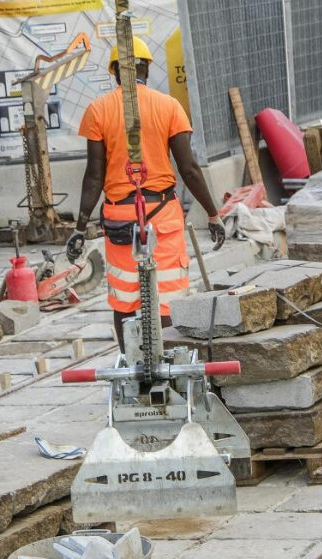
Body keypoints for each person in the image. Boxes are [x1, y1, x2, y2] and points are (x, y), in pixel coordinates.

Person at [65, 37, 225, 353]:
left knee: (125, 301)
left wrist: (80, 228)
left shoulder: (98, 110)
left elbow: (94, 176)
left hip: (120, 220)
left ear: (113, 72)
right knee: (166, 301)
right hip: (163, 215)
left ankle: (130, 365)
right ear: (147, 69)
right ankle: (170, 365)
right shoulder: (169, 107)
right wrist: (213, 214)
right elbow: (189, 169)